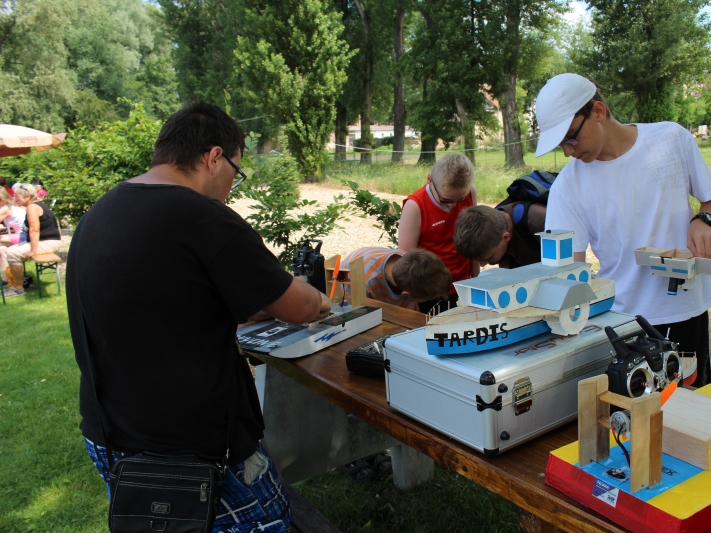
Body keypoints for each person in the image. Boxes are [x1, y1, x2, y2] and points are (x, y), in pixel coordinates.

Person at [66, 102, 332, 532]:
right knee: (267, 521)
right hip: (193, 451)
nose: (231, 188)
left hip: (110, 436)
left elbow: (169, 302)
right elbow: (299, 306)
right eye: (235, 172)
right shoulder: (202, 216)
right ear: (214, 157)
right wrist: (321, 300)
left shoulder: (103, 210)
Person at [535, 73, 711, 387]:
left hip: (686, 312)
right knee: (631, 415)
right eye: (561, 145)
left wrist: (704, 220)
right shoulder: (567, 187)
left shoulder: (671, 139)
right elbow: (568, 273)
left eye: (570, 138)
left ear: (598, 111)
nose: (568, 152)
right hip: (623, 322)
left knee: (693, 409)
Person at [397, 153, 479, 313]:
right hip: (430, 290)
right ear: (430, 180)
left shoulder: (470, 193)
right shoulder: (415, 206)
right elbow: (407, 259)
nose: (453, 205)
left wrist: (476, 279)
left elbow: (472, 239)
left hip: (463, 284)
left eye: (460, 199)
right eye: (446, 200)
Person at [340, 247, 452, 311]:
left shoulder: (409, 264)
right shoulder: (365, 282)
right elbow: (360, 315)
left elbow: (409, 313)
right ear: (406, 294)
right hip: (349, 297)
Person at [2, 184, 61, 297]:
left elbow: (34, 230)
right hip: (48, 241)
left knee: (12, 253)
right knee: (9, 250)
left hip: (48, 242)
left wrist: (33, 251)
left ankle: (18, 288)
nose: (16, 199)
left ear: (28, 196)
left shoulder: (32, 207)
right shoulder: (37, 205)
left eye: (18, 196)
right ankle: (17, 282)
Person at [453, 203, 546, 268]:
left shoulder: (539, 223)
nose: (482, 265)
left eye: (489, 258)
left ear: (506, 237)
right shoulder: (493, 227)